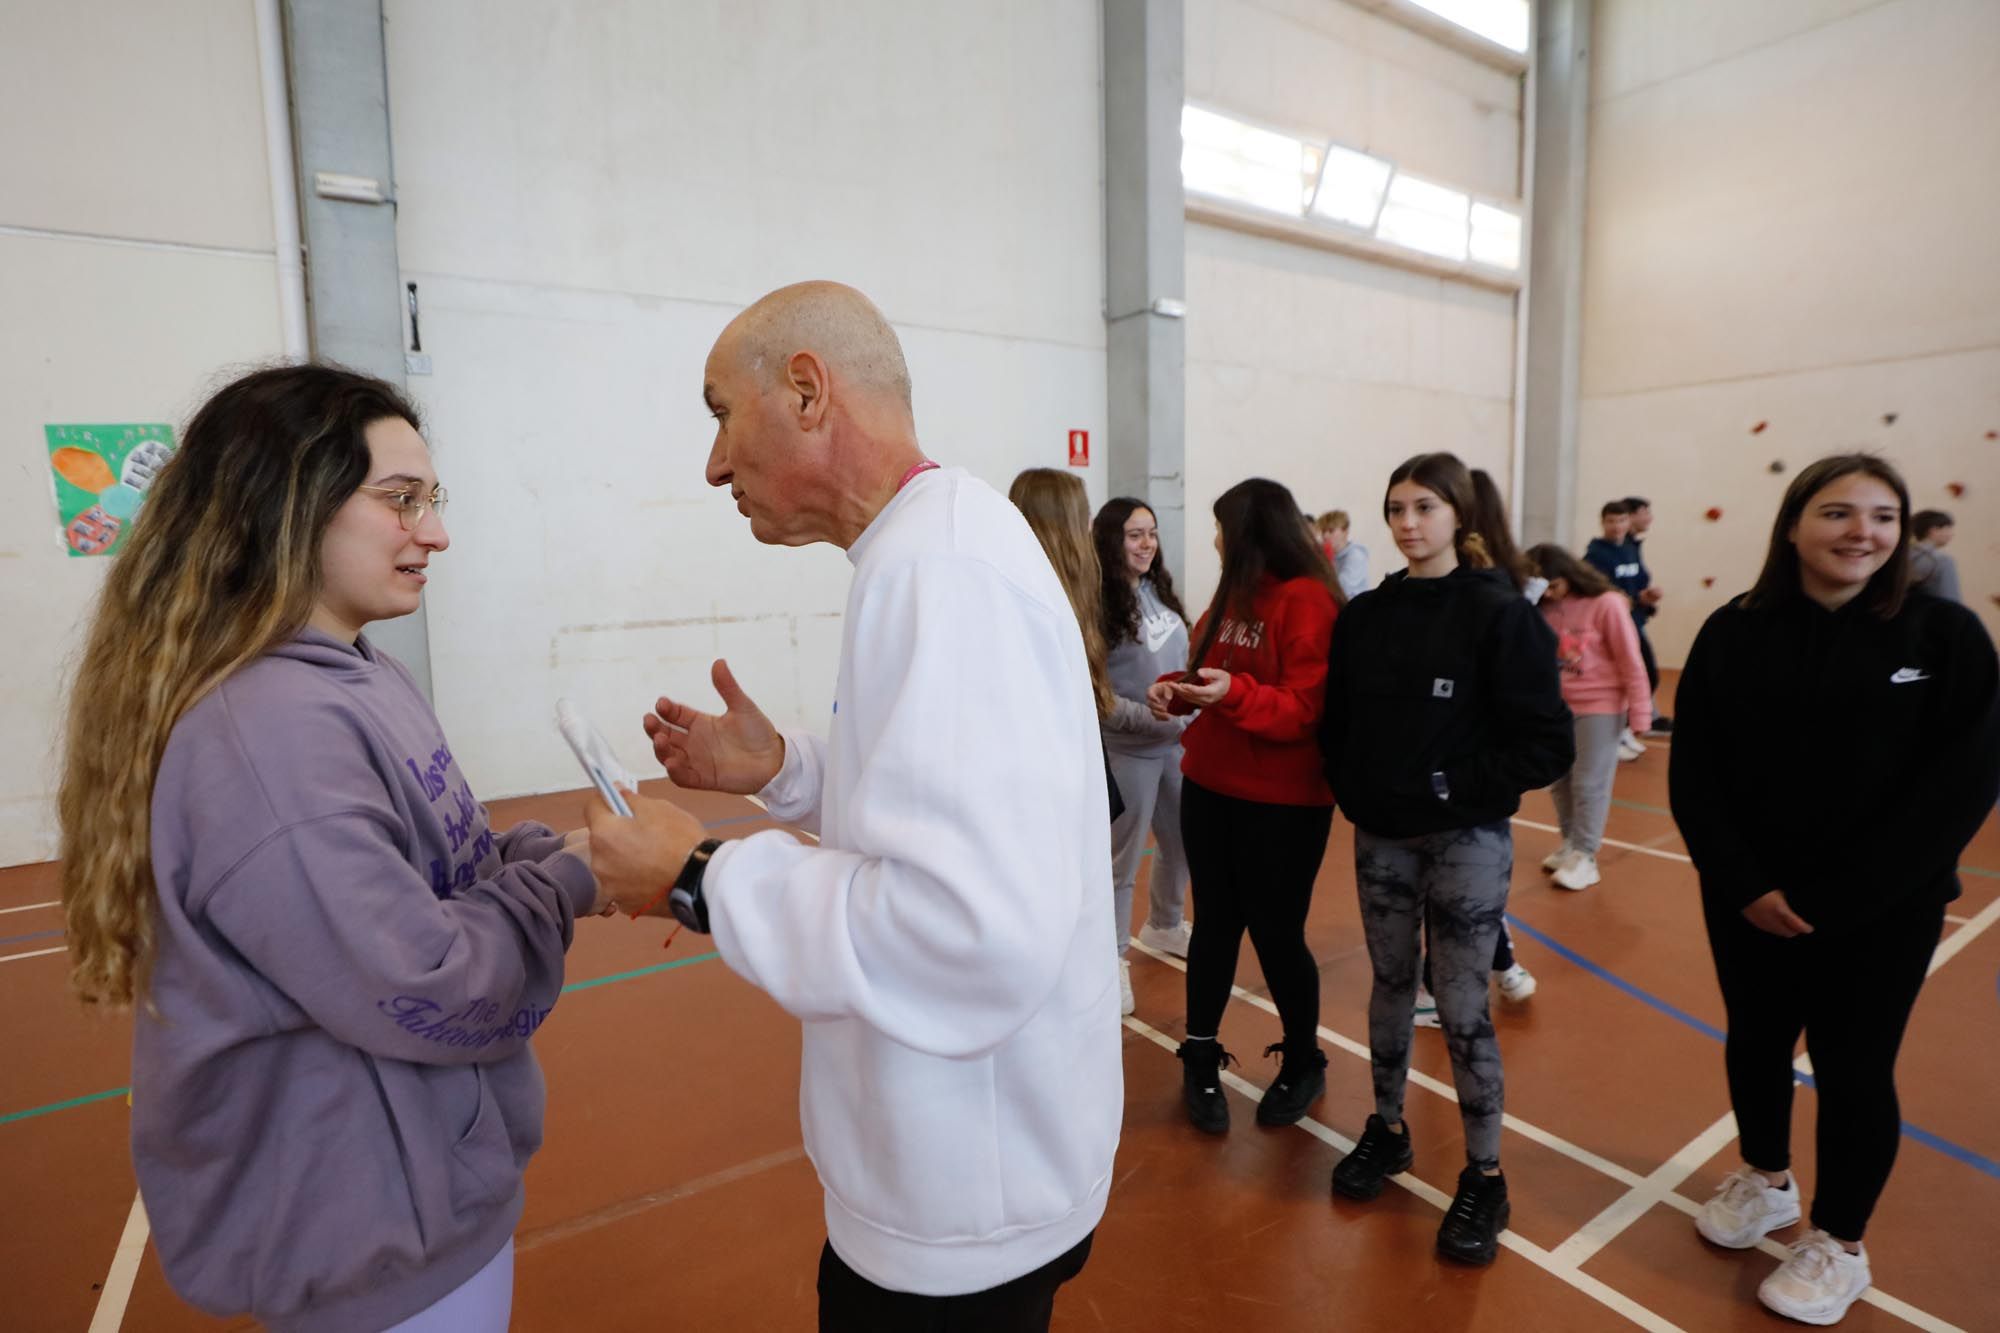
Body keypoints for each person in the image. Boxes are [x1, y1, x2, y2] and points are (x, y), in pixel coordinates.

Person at [583, 282, 1119, 1331]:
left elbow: (965, 926)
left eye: (717, 414)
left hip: (961, 1211)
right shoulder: (933, 546)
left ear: (806, 390)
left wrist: (697, 875)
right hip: (972, 1173)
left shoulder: (943, 572)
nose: (711, 464)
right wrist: (785, 765)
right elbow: (952, 803)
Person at [55, 364, 604, 1333]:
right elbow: (429, 985)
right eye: (400, 500)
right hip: (371, 1247)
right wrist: (567, 882)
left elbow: (439, 861)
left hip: (423, 1206)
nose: (433, 531)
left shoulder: (359, 669)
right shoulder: (267, 732)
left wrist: (553, 851)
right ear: (289, 504)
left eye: (431, 500)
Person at [1670, 454, 1998, 1326]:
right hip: (1750, 901)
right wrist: (1741, 882)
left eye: (1884, 515)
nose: (1863, 531)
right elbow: (1697, 770)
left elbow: (1963, 786)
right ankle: (1768, 1178)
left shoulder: (1946, 636)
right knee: (1755, 1043)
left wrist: (1855, 897)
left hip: (1883, 910)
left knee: (1855, 1069)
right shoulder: (1732, 631)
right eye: (1838, 512)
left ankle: (1840, 1241)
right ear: (1792, 527)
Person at [1319, 451, 1573, 1266]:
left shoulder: (1500, 615)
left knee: (1462, 1005)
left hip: (1467, 839)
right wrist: (1358, 787)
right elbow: (1339, 721)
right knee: (1391, 984)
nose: (1406, 522)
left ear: (1457, 516)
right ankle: (1388, 1128)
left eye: (1424, 506)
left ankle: (1485, 1174)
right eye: (1395, 507)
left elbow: (1545, 742)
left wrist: (1446, 783)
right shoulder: (1365, 615)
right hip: (1381, 835)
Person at [1144, 478, 1340, 1135]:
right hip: (1211, 786)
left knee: (1278, 933)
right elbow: (1209, 672)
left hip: (1283, 803)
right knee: (1216, 926)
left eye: (1223, 526)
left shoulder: (1309, 601)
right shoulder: (1231, 595)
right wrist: (1174, 690)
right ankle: (1200, 1051)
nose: (1215, 539)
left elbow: (1305, 709)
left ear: (1253, 532)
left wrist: (1232, 694)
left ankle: (1304, 1058)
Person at [1008, 469, 1135, 1013]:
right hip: (1048, 776)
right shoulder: (1032, 594)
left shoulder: (1073, 591)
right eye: (1082, 517)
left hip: (1072, 765)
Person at [1092, 496, 1195, 986]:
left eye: (1151, 533)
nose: (1147, 543)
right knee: (1121, 864)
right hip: (1127, 753)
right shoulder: (1096, 603)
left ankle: (1165, 925)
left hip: (1175, 746)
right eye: (1135, 534)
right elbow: (1098, 695)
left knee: (1183, 844)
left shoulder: (1160, 592)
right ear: (1113, 540)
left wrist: (1187, 704)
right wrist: (1147, 719)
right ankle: (1111, 961)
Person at [1526, 543, 1652, 891]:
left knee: (1588, 782)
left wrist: (1640, 711)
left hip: (1600, 707)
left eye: (1554, 585)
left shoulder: (1607, 604)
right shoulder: (1541, 608)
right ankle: (1570, 843)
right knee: (1560, 780)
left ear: (1568, 575)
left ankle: (1586, 855)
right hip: (1556, 708)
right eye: (1542, 587)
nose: (1549, 593)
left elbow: (1631, 659)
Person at [1584, 500, 1652, 760]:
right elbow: (1595, 589)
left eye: (1621, 521)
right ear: (1603, 523)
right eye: (1611, 521)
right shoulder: (1595, 555)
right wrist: (1619, 598)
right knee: (1632, 676)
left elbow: (1639, 583)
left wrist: (1646, 597)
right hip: (1614, 626)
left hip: (1634, 621)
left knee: (1646, 674)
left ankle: (1623, 730)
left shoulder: (1631, 549)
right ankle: (1614, 735)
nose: (1617, 526)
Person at [1909, 509, 1961, 602]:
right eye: (1948, 528)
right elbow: (1951, 601)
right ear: (1933, 530)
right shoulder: (1943, 561)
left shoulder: (1901, 556)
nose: (1951, 534)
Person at [1319, 509, 1371, 599]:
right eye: (1323, 531)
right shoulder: (1328, 554)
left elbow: (1342, 588)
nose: (1325, 536)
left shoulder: (1356, 555)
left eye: (1331, 531)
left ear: (1345, 531)